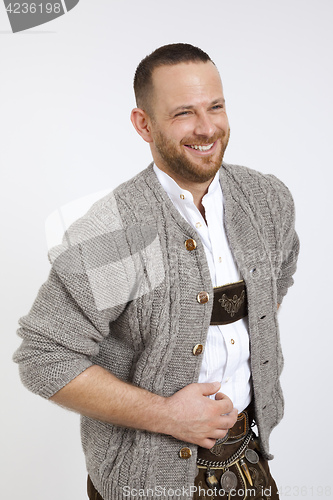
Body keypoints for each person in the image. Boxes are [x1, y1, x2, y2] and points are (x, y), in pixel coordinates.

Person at [14, 43, 299, 500]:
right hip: (145, 479)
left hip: (248, 460)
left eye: (216, 107)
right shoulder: (117, 228)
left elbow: (280, 272)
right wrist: (167, 414)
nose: (207, 128)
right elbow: (44, 357)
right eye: (184, 112)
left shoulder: (266, 200)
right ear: (143, 124)